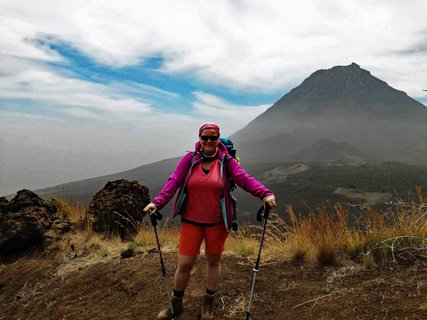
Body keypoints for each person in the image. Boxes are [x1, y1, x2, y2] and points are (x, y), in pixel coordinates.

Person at [143, 123, 276, 320]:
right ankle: (176, 304)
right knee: (185, 264)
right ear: (199, 138)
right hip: (191, 221)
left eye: (213, 138)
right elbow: (174, 182)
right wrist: (157, 203)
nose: (209, 141)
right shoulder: (189, 160)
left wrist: (265, 194)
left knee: (213, 261)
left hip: (217, 223)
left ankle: (208, 302)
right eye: (205, 137)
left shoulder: (227, 161)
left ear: (218, 139)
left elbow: (244, 179)